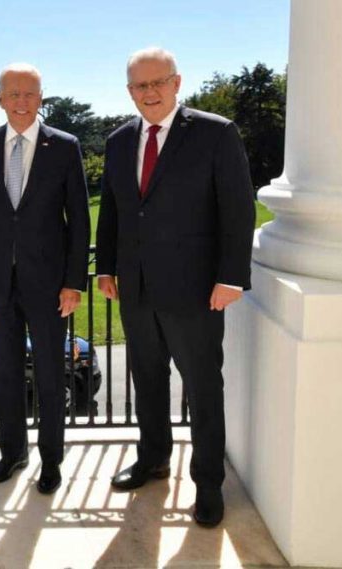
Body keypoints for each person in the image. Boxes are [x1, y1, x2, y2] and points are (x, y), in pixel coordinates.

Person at [95, 47, 255, 527]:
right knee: (146, 379)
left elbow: (238, 208)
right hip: (137, 288)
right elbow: (116, 212)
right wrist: (106, 268)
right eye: (139, 86)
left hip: (197, 288)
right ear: (129, 92)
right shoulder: (120, 141)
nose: (149, 93)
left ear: (177, 82)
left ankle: (208, 484)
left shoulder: (215, 133)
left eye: (157, 82)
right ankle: (153, 459)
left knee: (203, 387)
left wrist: (231, 277)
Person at [0, 63, 91, 495]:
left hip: (50, 284)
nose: (21, 101)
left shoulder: (64, 146)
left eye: (30, 94)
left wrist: (73, 281)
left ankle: (51, 461)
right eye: (13, 94)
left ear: (41, 98)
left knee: (52, 375)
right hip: (0, 282)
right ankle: (12, 453)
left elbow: (79, 219)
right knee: (4, 372)